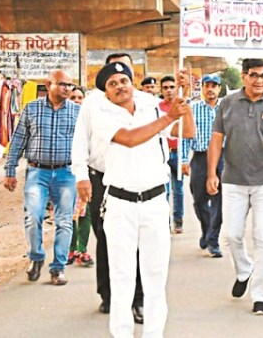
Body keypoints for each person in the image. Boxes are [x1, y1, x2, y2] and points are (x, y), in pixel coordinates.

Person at [91, 61, 194, 338]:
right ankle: (122, 333)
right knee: (122, 276)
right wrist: (169, 117)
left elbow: (186, 132)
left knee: (156, 276)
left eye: (123, 80)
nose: (119, 87)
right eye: (112, 84)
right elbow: (129, 139)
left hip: (155, 202)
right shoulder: (101, 114)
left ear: (132, 83)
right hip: (120, 203)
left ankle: (153, 333)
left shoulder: (151, 107)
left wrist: (184, 102)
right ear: (106, 92)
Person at [206, 58, 263, 316]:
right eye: (253, 75)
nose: (259, 80)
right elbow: (216, 140)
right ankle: (244, 269)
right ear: (244, 76)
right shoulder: (227, 103)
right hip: (234, 179)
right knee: (232, 234)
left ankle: (261, 296)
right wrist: (211, 173)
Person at [72, 53, 147, 320]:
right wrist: (81, 176)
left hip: (134, 178)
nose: (119, 82)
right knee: (105, 238)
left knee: (137, 239)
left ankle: (137, 298)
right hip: (100, 179)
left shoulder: (144, 101)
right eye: (112, 77)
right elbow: (80, 139)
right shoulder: (92, 103)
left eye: (124, 72)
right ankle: (108, 294)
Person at [3, 69, 80, 286]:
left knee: (64, 221)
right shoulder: (32, 108)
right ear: (48, 85)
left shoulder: (77, 112)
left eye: (70, 85)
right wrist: (10, 170)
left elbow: (86, 145)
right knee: (33, 217)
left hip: (67, 173)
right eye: (62, 84)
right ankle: (36, 257)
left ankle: (58, 268)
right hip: (38, 173)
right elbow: (18, 140)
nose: (67, 88)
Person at [181, 73, 224, 258]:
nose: (210, 89)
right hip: (200, 157)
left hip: (223, 157)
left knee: (219, 200)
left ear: (219, 88)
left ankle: (213, 240)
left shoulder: (226, 109)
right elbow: (185, 134)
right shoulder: (193, 108)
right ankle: (207, 229)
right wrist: (183, 159)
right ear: (202, 88)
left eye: (214, 85)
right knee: (199, 199)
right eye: (207, 85)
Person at [159, 75, 190, 234]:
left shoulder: (181, 106)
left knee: (178, 190)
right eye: (165, 88)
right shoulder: (157, 108)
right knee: (164, 191)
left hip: (177, 154)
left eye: (172, 87)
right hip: (163, 155)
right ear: (161, 90)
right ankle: (165, 223)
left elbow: (188, 133)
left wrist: (185, 158)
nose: (169, 90)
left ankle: (178, 221)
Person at [67, 86, 94, 267]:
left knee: (86, 213)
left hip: (87, 173)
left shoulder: (90, 120)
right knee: (69, 214)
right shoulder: (63, 119)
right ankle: (70, 249)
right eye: (73, 97)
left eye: (79, 97)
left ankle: (82, 249)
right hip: (66, 173)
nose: (77, 101)